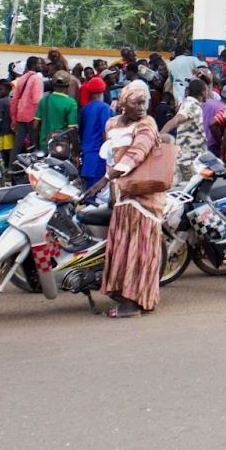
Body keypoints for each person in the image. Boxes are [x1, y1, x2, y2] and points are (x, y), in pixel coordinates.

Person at [81, 80, 167, 318]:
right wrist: (111, 191)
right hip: (122, 195)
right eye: (136, 103)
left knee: (139, 251)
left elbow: (136, 154)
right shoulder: (111, 124)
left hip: (144, 197)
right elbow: (111, 155)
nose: (141, 107)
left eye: (144, 102)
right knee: (122, 247)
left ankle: (133, 303)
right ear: (122, 104)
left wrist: (104, 180)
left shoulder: (147, 124)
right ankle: (127, 294)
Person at [78, 79, 112, 186]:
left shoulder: (85, 109)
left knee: (88, 188)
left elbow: (81, 132)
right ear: (104, 89)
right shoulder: (105, 108)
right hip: (99, 155)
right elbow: (105, 132)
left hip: (86, 155)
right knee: (96, 191)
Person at [36, 74, 79, 153]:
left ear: (52, 85)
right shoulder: (71, 103)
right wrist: (76, 153)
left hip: (44, 145)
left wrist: (37, 145)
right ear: (68, 85)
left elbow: (35, 126)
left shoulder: (43, 100)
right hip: (61, 148)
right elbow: (72, 130)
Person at [10, 56, 44, 153]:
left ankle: (11, 166)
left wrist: (13, 118)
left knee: (18, 143)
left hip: (21, 115)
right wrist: (40, 118)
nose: (41, 65)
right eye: (39, 63)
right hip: (33, 116)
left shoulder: (21, 78)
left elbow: (14, 100)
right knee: (34, 143)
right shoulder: (37, 78)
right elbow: (38, 100)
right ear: (33, 65)